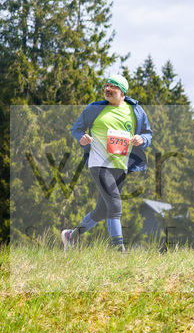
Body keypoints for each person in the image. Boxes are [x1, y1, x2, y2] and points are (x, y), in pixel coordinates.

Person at [61, 74, 153, 251]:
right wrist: (82, 138)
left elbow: (148, 133)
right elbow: (76, 129)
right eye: (106, 86)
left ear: (122, 92)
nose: (107, 89)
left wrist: (142, 139)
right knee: (115, 206)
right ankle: (120, 251)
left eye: (113, 87)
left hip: (121, 166)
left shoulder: (136, 111)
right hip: (99, 164)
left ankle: (70, 237)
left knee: (102, 211)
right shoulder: (94, 109)